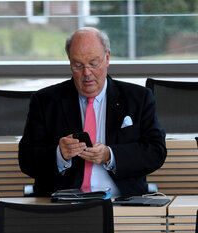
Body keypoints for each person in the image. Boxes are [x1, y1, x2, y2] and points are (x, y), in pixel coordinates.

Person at [18, 27, 167, 197]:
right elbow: (26, 160)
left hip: (122, 201)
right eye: (78, 66)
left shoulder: (138, 98)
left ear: (107, 58)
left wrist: (110, 155)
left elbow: (156, 151)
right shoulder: (45, 101)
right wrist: (59, 155)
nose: (86, 73)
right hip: (64, 205)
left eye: (93, 64)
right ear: (69, 61)